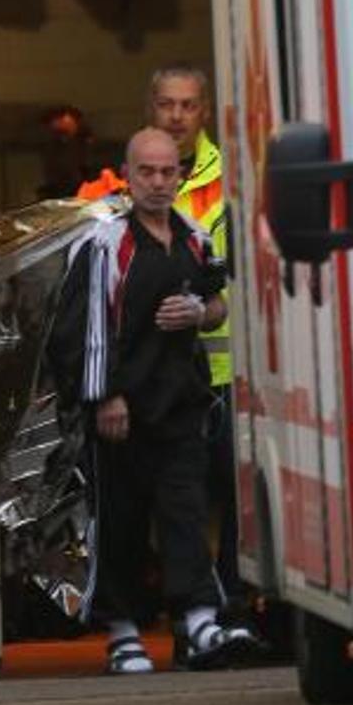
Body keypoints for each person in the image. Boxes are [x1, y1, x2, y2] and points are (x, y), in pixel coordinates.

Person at [46, 129, 259, 675]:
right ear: (128, 173)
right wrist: (105, 396)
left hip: (180, 404)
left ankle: (198, 619)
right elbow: (85, 325)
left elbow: (215, 302)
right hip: (122, 411)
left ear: (179, 176)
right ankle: (122, 632)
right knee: (121, 520)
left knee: (185, 512)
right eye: (147, 172)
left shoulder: (192, 235)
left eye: (168, 172)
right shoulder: (104, 242)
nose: (159, 182)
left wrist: (200, 311)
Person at [145, 64, 242, 610]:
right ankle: (191, 615)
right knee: (174, 501)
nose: (177, 115)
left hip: (224, 374)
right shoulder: (131, 178)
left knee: (232, 498)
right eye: (166, 104)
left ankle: (229, 606)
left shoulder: (231, 177)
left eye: (187, 105)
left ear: (204, 111)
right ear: (151, 108)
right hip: (159, 374)